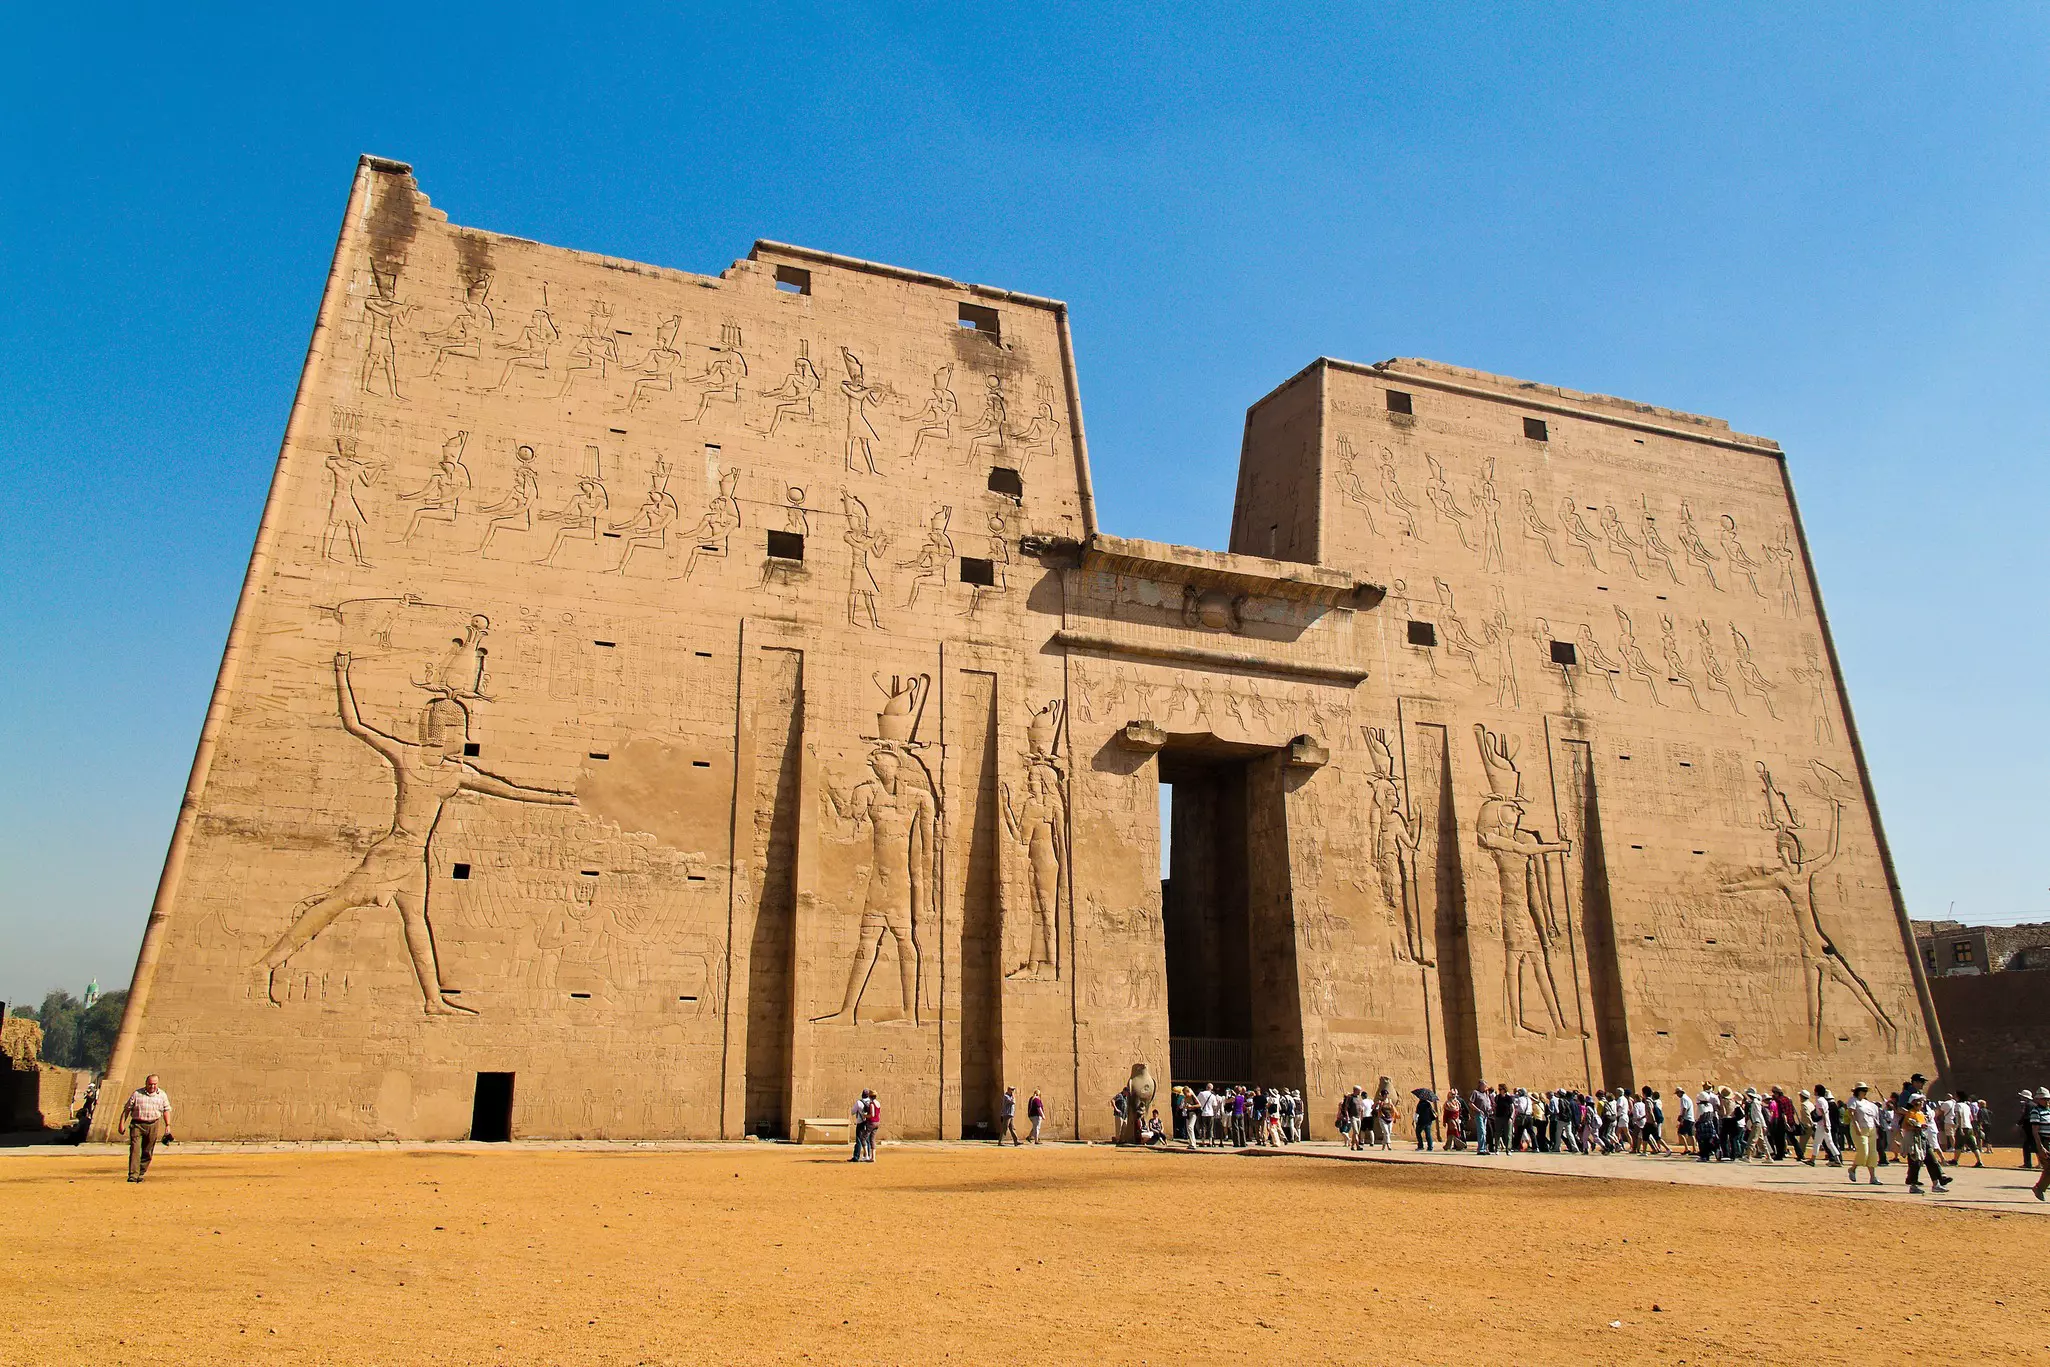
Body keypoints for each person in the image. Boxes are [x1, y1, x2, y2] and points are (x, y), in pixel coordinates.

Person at [118, 1075, 171, 1183]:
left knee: (148, 1151)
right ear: (146, 1083)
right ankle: (133, 1174)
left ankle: (141, 1172)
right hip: (137, 1124)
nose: (152, 1086)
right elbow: (127, 1110)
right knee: (135, 1150)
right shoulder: (137, 1094)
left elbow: (166, 1110)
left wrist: (168, 1125)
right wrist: (121, 1124)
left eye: (155, 1084)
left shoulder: (162, 1095)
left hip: (153, 1124)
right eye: (150, 1084)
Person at [1899, 1090, 1949, 1194]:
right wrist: (1915, 1127)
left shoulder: (1921, 1113)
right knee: (1915, 1163)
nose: (1923, 1103)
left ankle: (1937, 1183)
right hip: (1914, 1140)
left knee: (1932, 1160)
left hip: (1922, 1139)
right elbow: (1904, 1126)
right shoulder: (1910, 1113)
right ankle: (1913, 1185)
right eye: (1921, 1101)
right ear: (1915, 1102)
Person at [1845, 1083, 1881, 1184]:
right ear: (1858, 1091)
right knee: (1863, 1152)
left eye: (1866, 1090)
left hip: (1871, 1128)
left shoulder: (1868, 1103)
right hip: (1860, 1129)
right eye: (1863, 1090)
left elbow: (1874, 1117)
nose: (1864, 1092)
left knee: (1872, 1153)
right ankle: (1852, 1168)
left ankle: (1873, 1177)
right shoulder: (1853, 1100)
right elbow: (1851, 1114)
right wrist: (1856, 1126)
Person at [2029, 1089, 2050, 1201]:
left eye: (2048, 1099)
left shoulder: (2049, 1110)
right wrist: (2040, 1147)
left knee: (2048, 1168)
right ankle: (2039, 1188)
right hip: (2043, 1141)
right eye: (2044, 1099)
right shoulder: (2035, 1111)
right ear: (2038, 1100)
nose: (2046, 1101)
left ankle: (2039, 1188)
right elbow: (2035, 1130)